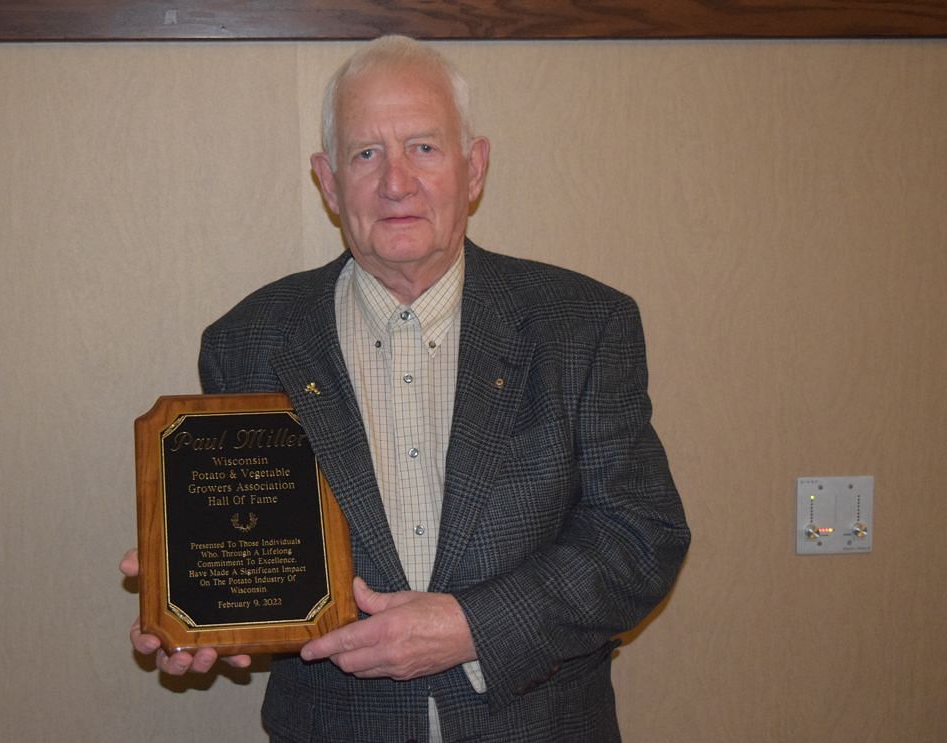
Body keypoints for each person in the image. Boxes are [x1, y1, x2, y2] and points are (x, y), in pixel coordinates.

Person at [121, 35, 690, 742]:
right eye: (366, 154)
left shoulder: (584, 326)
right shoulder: (249, 341)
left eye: (423, 147)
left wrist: (470, 627)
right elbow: (251, 553)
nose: (396, 182)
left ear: (473, 167)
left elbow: (640, 539)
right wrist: (199, 605)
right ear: (328, 182)